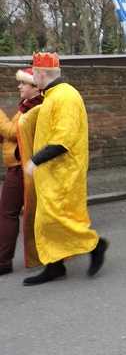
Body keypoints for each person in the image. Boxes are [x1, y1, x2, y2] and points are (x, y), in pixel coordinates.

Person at [23, 52, 108, 286]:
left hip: (64, 171)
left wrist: (35, 160)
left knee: (55, 217)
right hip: (53, 172)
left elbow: (63, 139)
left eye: (34, 75)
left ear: (42, 74)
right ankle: (55, 265)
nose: (32, 79)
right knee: (48, 219)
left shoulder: (65, 96)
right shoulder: (52, 95)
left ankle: (95, 244)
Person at [0, 68, 44, 276]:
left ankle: (3, 261)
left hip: (20, 169)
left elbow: (11, 131)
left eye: (23, 83)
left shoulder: (33, 108)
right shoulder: (27, 106)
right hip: (20, 166)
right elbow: (12, 136)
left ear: (34, 86)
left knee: (7, 214)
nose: (19, 86)